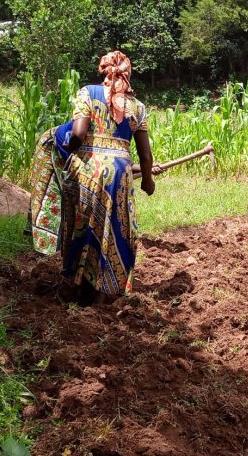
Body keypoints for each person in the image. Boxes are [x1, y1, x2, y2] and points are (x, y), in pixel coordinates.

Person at [60, 50, 155, 303]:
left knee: (84, 224)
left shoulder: (87, 94)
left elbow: (78, 134)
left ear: (102, 71)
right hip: (121, 175)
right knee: (116, 228)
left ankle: (78, 286)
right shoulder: (138, 107)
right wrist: (147, 181)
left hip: (89, 170)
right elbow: (145, 156)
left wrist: (66, 152)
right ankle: (105, 291)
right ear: (128, 74)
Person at [29, 121, 166, 255]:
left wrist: (147, 169)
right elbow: (78, 144)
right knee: (50, 200)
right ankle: (44, 253)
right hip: (55, 148)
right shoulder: (90, 120)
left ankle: (70, 248)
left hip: (82, 158)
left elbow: (118, 159)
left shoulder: (122, 124)